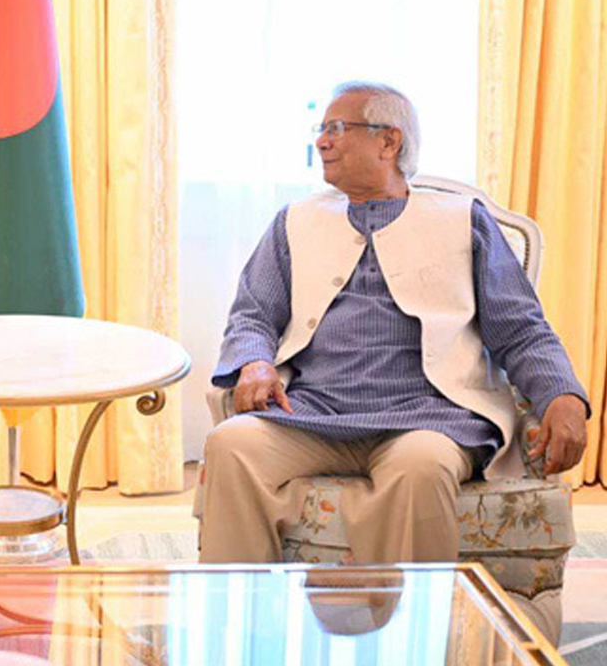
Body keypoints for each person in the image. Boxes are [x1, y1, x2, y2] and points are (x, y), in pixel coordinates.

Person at [199, 81, 589, 564]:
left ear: (389, 141)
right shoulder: (294, 222)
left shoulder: (462, 220)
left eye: (337, 128)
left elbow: (521, 328)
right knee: (231, 445)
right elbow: (253, 314)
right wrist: (255, 363)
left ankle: (404, 614)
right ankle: (245, 606)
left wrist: (562, 395)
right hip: (314, 412)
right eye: (322, 129)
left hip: (430, 417)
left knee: (420, 467)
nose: (322, 141)